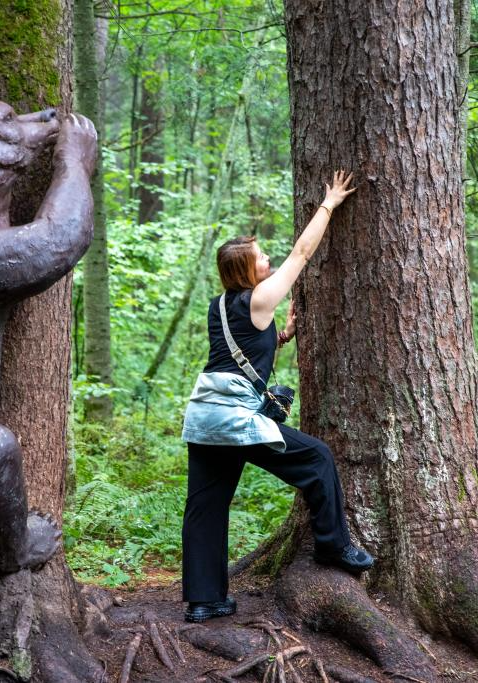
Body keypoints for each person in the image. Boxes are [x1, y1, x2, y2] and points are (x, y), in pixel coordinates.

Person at [180, 170, 372, 623]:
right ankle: (333, 545)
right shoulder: (261, 297)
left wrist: (281, 337)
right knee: (318, 458)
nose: (267, 259)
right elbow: (303, 253)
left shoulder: (221, 305)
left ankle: (204, 600)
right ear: (247, 271)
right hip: (235, 421)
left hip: (205, 415)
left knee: (205, 507)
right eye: (260, 257)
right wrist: (329, 202)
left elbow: (237, 352)